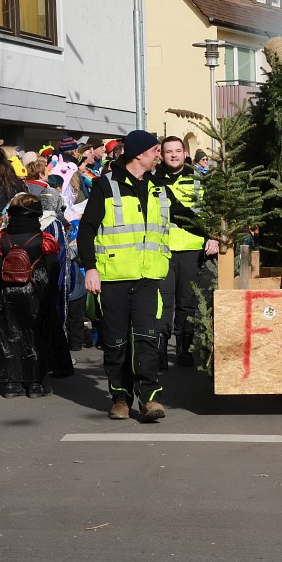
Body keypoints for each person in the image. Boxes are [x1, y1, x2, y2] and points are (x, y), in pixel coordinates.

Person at [78, 130, 188, 422]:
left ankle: (150, 399)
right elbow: (86, 229)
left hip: (148, 277)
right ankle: (120, 399)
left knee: (147, 338)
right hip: (113, 277)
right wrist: (90, 269)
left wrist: (214, 230)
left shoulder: (158, 186)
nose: (159, 155)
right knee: (115, 342)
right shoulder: (106, 185)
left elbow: (184, 215)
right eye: (155, 150)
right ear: (140, 153)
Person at [0, 194, 70, 398]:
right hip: (37, 288)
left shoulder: (2, 239)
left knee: (10, 334)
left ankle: (12, 384)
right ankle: (34, 383)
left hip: (9, 289)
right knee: (36, 334)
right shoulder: (43, 239)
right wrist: (52, 292)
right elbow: (54, 267)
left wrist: (0, 291)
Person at [154, 136, 219, 368]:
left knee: (187, 302)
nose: (173, 155)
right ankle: (160, 351)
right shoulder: (152, 181)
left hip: (192, 249)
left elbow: (214, 212)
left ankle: (183, 350)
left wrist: (213, 236)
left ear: (185, 154)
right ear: (161, 155)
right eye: (168, 151)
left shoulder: (199, 180)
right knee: (162, 303)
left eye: (178, 151)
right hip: (161, 249)